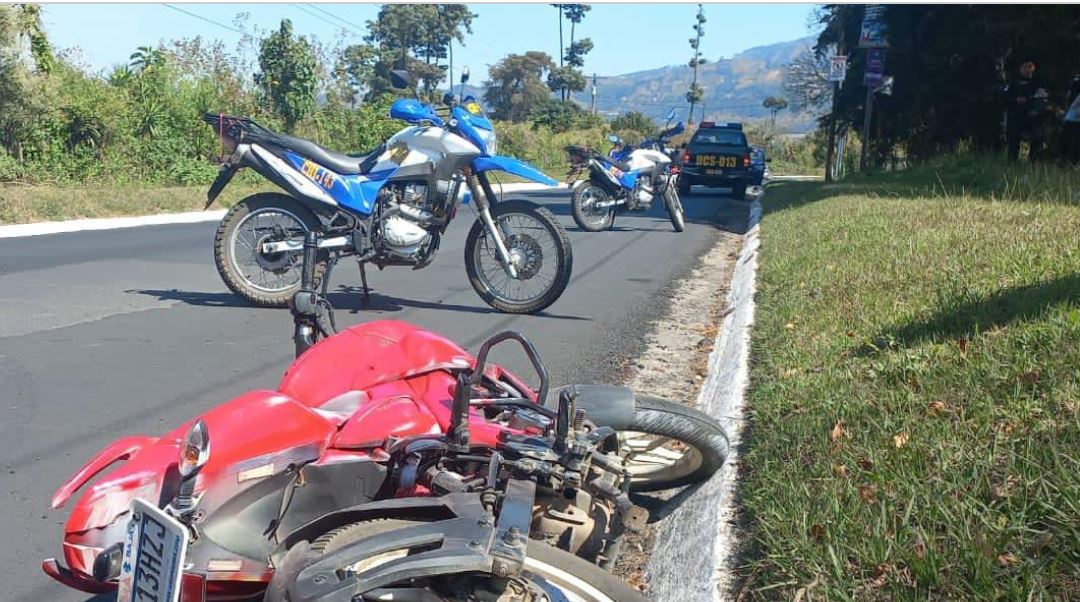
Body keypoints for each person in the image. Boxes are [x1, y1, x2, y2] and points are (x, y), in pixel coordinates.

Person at [1002, 60, 1046, 162]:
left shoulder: (1037, 82)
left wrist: (1037, 108)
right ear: (1021, 68)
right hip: (1015, 115)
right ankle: (1012, 162)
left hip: (1032, 115)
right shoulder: (1012, 81)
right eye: (1025, 67)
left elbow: (1042, 99)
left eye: (1030, 67)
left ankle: (1033, 161)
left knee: (1037, 137)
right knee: (1013, 139)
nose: (1028, 70)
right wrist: (1015, 100)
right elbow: (1003, 98)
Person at [1062, 73, 1080, 164]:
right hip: (1073, 116)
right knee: (1069, 138)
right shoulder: (1076, 82)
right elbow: (1070, 98)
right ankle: (1066, 159)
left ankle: (1074, 160)